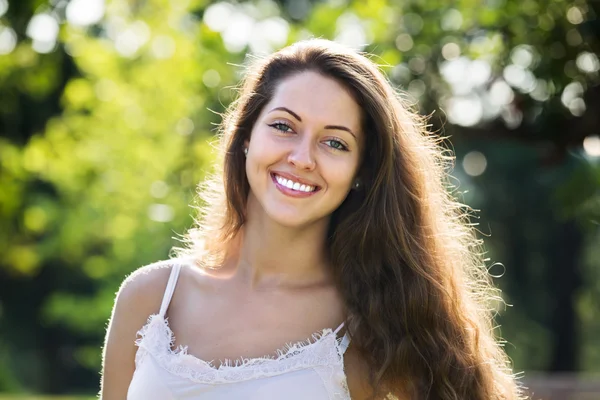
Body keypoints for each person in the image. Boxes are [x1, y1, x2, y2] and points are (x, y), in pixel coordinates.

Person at [100, 39, 524, 400]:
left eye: (335, 143)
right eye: (284, 126)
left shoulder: (379, 326)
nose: (302, 158)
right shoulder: (151, 299)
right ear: (246, 137)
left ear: (362, 170)